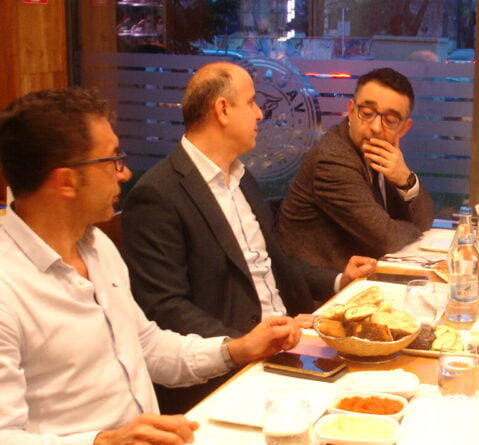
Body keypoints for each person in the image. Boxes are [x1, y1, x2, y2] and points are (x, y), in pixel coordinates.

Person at [0, 87, 302, 444]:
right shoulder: (8, 287)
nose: (124, 173)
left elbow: (146, 346)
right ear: (66, 181)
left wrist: (236, 349)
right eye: (112, 160)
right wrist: (104, 441)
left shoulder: (97, 247)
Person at [121, 62, 376, 413]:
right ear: (223, 110)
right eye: (252, 102)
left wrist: (338, 280)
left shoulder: (242, 179)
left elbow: (275, 263)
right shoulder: (158, 195)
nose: (259, 113)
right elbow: (165, 308)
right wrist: (244, 344)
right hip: (229, 373)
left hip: (289, 343)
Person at [276, 67, 435, 271]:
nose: (376, 127)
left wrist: (406, 180)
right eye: (367, 113)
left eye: (390, 120)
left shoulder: (382, 154)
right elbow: (386, 238)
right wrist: (415, 229)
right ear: (351, 111)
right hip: (323, 284)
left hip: (364, 273)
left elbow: (425, 218)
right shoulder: (333, 159)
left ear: (404, 128)